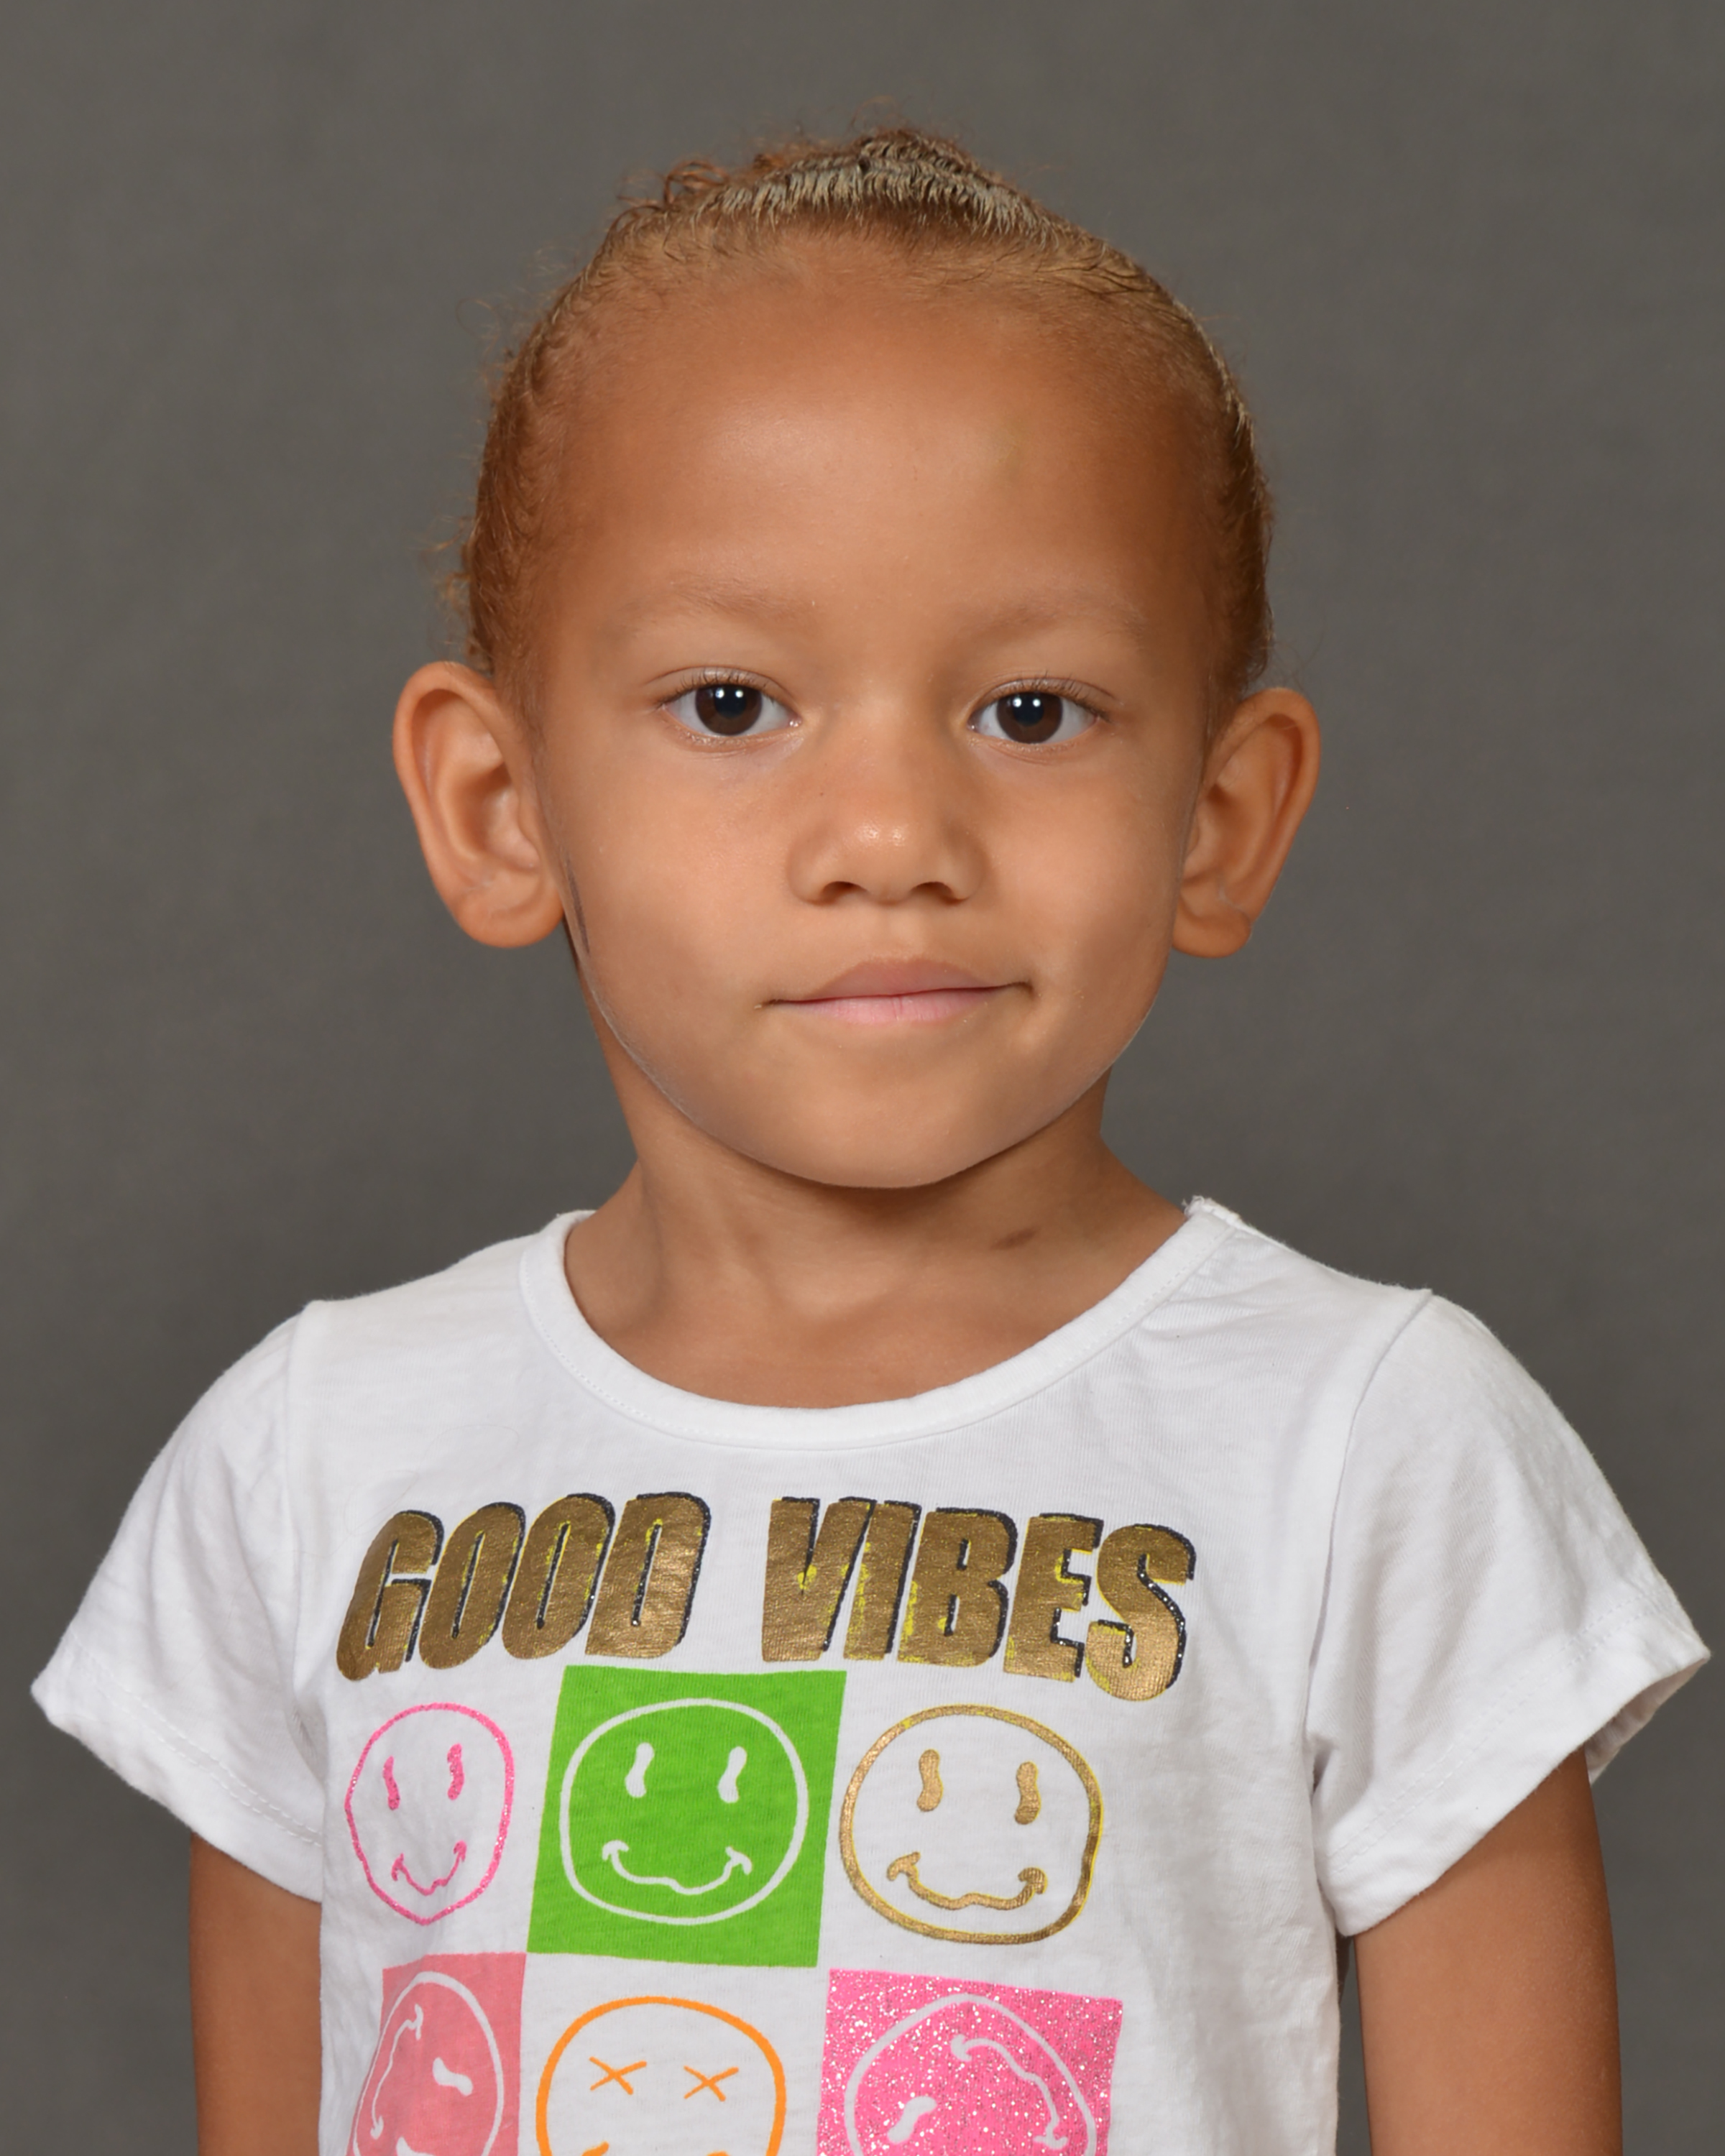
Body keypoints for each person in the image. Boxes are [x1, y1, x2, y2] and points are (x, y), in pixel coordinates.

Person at [34, 127, 1705, 2156]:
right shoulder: (311, 1458)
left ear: (1222, 817)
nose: (894, 839)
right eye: (734, 704)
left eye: (1033, 712)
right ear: (499, 806)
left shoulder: (1372, 1444)